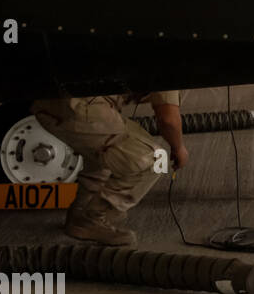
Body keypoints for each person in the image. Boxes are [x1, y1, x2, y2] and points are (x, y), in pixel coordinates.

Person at [30, 92, 187, 246]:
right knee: (156, 160)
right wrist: (178, 147)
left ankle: (79, 213)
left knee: (111, 155)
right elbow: (168, 119)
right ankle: (92, 219)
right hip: (79, 107)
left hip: (57, 101)